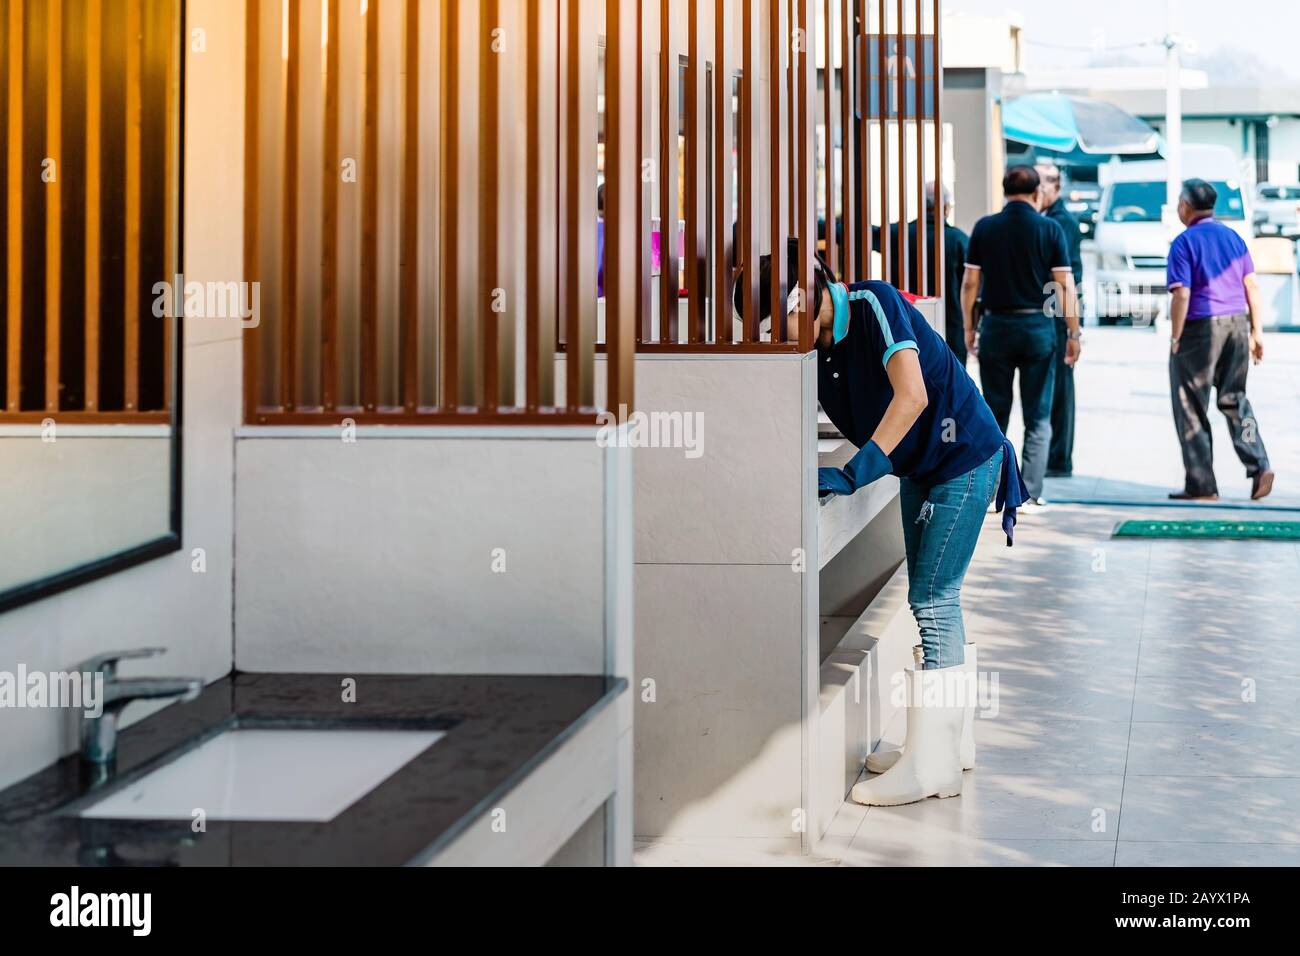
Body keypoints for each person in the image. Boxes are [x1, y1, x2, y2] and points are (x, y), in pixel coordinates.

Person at [737, 250, 1030, 808]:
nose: (774, 335)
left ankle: (931, 767)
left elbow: (913, 395)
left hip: (964, 459)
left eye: (774, 320)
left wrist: (855, 471)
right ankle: (946, 743)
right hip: (922, 468)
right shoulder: (817, 350)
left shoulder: (875, 302)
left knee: (933, 599)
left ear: (804, 297)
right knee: (938, 599)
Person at [961, 165, 1082, 505]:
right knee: (1038, 416)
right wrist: (1074, 332)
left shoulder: (985, 228)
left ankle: (994, 489)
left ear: (1003, 190)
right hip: (1039, 330)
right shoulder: (1050, 229)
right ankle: (1027, 494)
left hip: (996, 327)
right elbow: (1065, 285)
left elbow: (970, 283)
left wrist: (970, 327)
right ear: (1036, 193)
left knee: (995, 412)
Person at [1166, 178, 1274, 501]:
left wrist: (1175, 336)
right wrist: (1256, 332)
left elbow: (1182, 294)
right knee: (1234, 399)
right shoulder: (1234, 238)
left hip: (1200, 329)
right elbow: (1251, 287)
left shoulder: (1183, 243)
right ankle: (1259, 465)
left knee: (1190, 406)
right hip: (1237, 326)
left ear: (1185, 206)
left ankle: (1202, 485)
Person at [871, 182, 971, 365]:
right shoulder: (959, 240)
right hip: (950, 326)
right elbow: (971, 286)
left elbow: (857, 233)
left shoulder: (897, 234)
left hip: (903, 325)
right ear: (946, 207)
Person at [1035, 163, 1084, 477]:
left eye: (1040, 185)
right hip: (1052, 311)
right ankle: (1056, 457)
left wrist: (1072, 328)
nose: (1036, 192)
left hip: (1056, 312)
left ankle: (1059, 459)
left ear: (1056, 187)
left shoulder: (1060, 222)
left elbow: (1063, 280)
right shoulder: (1048, 220)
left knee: (1061, 387)